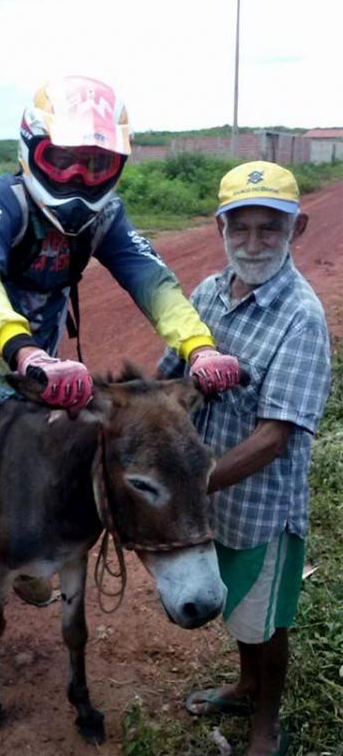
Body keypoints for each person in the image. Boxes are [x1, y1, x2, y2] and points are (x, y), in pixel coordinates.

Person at [0, 76, 240, 623]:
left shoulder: (106, 217)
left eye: (97, 165)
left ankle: (28, 559)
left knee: (52, 483)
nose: (80, 179)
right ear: (32, 150)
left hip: (40, 379)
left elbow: (151, 279)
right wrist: (24, 351)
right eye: (63, 161)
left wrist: (200, 348)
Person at [157, 161, 331, 756]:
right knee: (237, 610)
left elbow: (273, 437)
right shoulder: (207, 293)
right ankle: (243, 685)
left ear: (296, 229)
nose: (254, 243)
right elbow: (170, 377)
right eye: (241, 228)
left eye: (270, 228)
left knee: (265, 622)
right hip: (214, 506)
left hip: (261, 509)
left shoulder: (301, 318)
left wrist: (188, 484)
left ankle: (266, 725)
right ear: (221, 228)